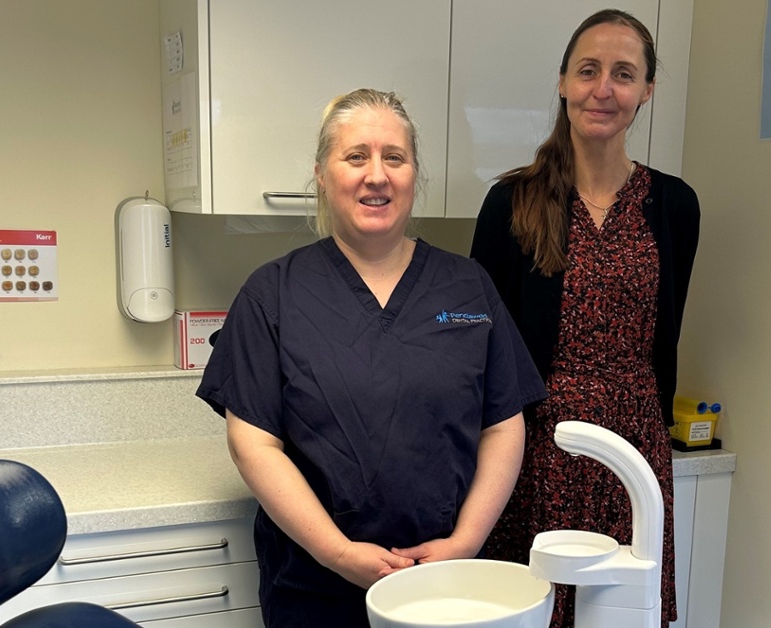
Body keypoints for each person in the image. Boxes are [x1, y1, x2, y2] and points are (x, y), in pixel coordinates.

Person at [197, 88, 547, 627]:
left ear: (414, 174)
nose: (377, 175)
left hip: (445, 582)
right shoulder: (273, 295)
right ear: (322, 173)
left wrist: (465, 540)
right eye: (356, 156)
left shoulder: (467, 287)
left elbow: (503, 424)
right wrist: (338, 553)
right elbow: (253, 444)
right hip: (315, 585)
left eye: (395, 157)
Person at [470, 9, 700, 628]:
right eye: (589, 71)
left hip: (636, 445)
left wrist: (658, 445)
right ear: (563, 82)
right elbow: (478, 348)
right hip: (539, 439)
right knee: (536, 608)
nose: (604, 89)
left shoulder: (674, 205)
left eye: (624, 74)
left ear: (646, 90)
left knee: (623, 610)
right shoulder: (512, 201)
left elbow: (666, 337)